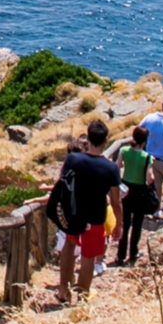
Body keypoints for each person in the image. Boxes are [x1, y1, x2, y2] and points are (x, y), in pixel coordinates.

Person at [50, 119, 125, 303]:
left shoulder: (73, 159)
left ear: (88, 138)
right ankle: (83, 296)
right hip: (96, 217)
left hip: (73, 214)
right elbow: (116, 202)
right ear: (105, 140)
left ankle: (63, 292)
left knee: (68, 248)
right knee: (88, 257)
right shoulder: (111, 168)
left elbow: (62, 181)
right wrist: (118, 224)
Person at [113, 124, 157, 266]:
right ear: (145, 140)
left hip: (126, 188)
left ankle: (120, 255)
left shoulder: (124, 150)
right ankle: (133, 253)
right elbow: (149, 178)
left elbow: (117, 166)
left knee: (124, 222)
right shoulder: (147, 157)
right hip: (140, 191)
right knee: (137, 224)